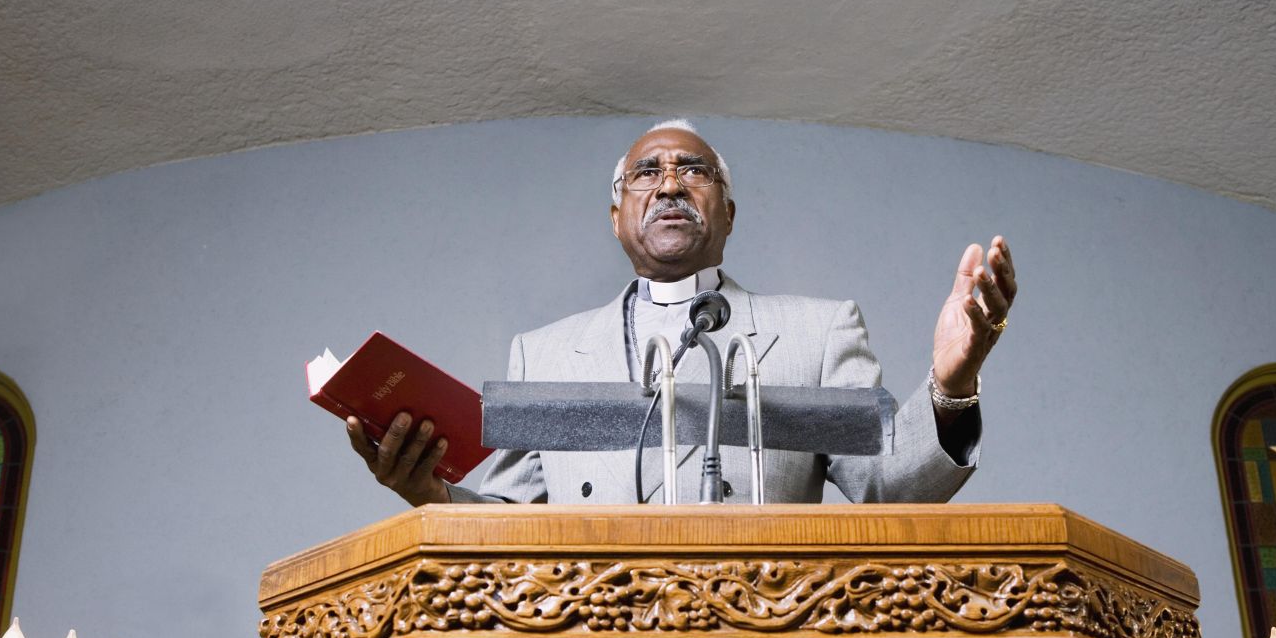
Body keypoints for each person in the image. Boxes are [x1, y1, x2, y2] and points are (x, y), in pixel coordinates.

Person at [349, 119, 1018, 506]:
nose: (669, 183)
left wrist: (952, 384)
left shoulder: (817, 334)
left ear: (729, 212)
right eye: (646, 173)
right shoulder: (543, 355)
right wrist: (429, 492)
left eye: (694, 170)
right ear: (616, 218)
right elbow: (509, 527)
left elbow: (892, 488)